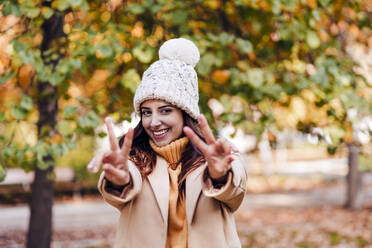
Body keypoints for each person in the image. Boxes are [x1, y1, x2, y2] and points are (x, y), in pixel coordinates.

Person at [87, 38, 247, 248]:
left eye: (165, 110)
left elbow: (235, 190)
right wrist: (120, 180)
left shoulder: (216, 156)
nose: (154, 122)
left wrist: (218, 174)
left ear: (185, 114)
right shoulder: (134, 160)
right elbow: (124, 187)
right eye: (146, 112)